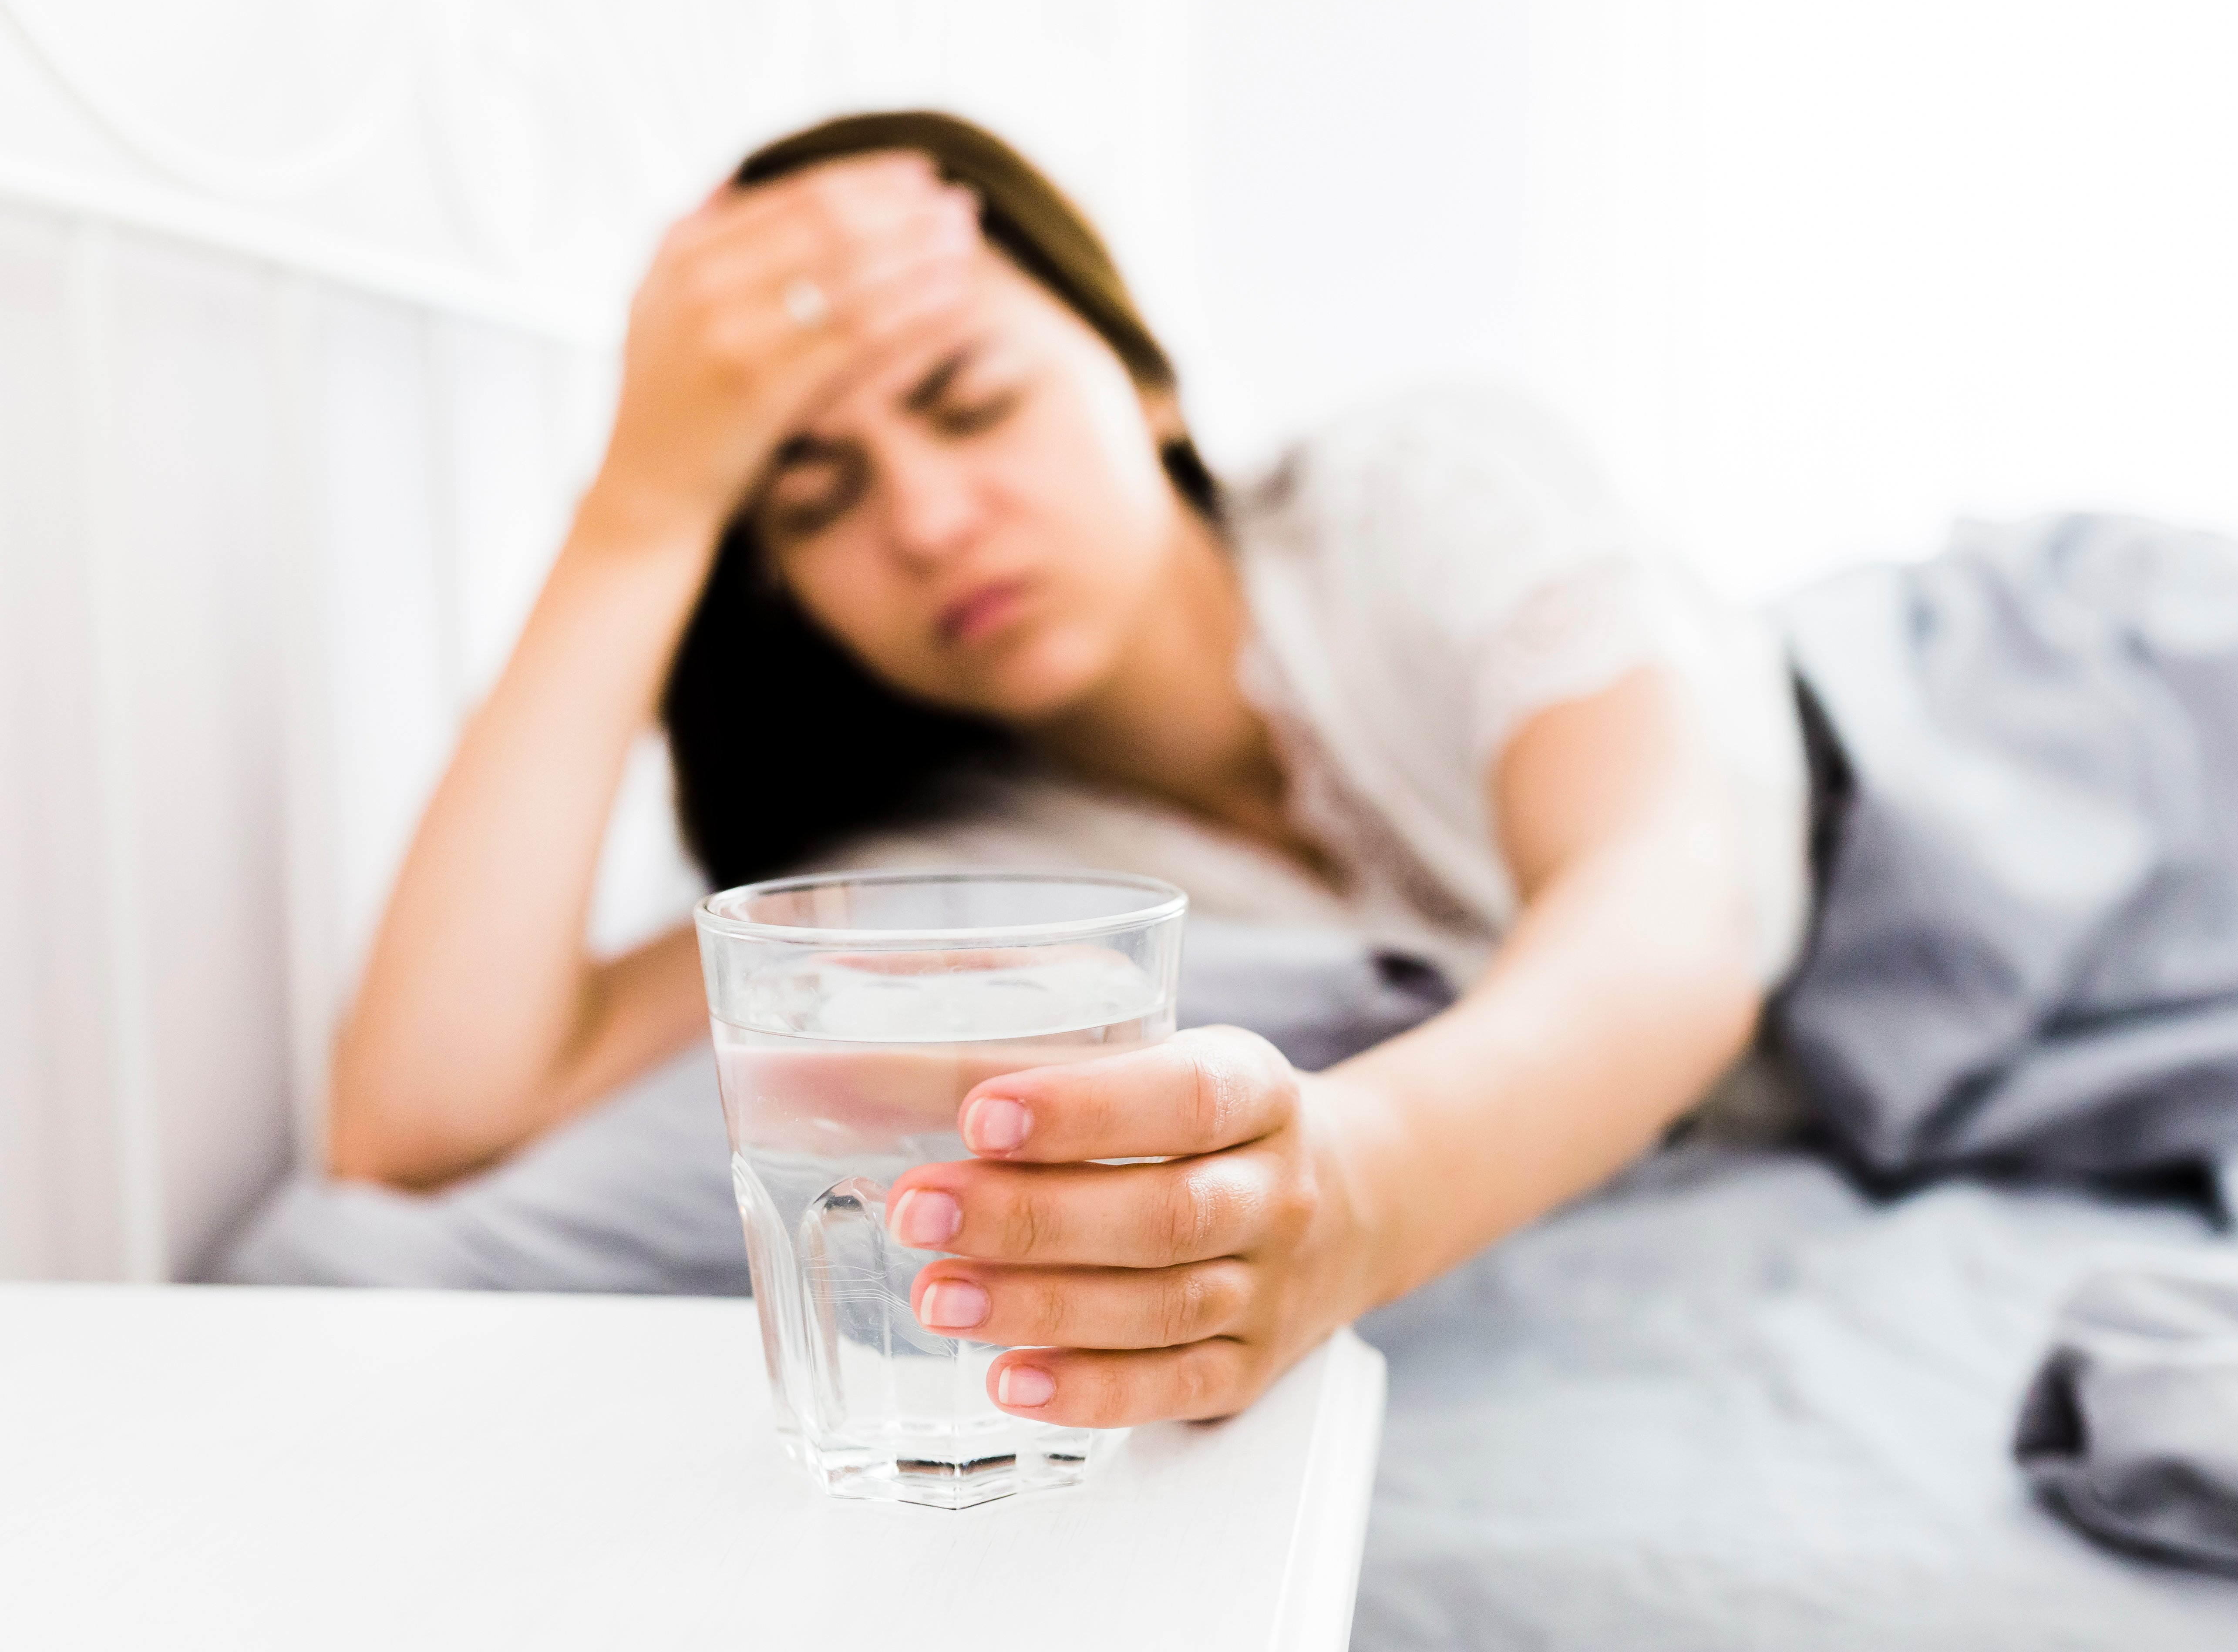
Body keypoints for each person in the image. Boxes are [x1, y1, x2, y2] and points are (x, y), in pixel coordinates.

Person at [326, 110, 1812, 1430]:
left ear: (1146, 378)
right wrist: (643, 509)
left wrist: (1351, 1199)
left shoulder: (1424, 494)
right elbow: (421, 1126)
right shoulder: (952, 878)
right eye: (816, 498)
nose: (924, 516)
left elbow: (1669, 920)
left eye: (972, 401)